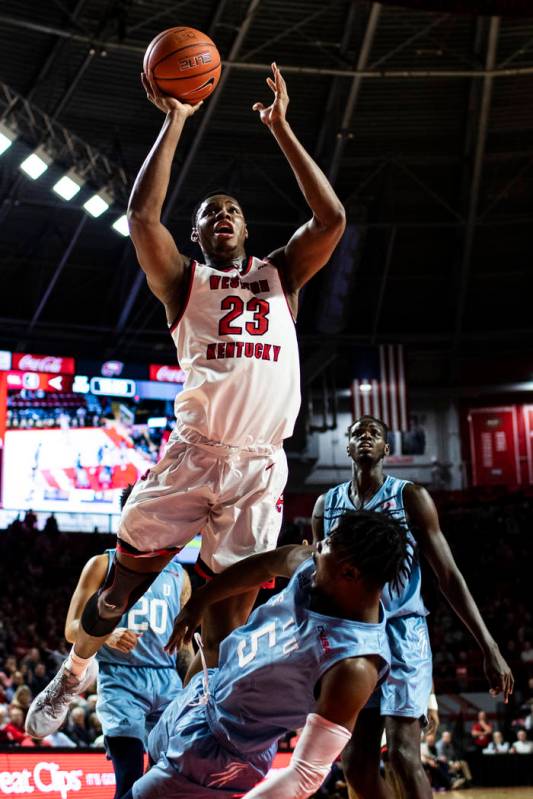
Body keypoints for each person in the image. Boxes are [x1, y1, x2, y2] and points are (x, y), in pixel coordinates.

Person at [26, 61, 346, 736]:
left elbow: (331, 216)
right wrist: (173, 120)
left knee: (227, 613)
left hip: (261, 463)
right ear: (197, 238)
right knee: (122, 587)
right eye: (209, 215)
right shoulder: (182, 282)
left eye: (231, 210)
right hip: (194, 455)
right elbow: (143, 214)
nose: (222, 216)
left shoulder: (280, 276)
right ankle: (73, 672)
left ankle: (213, 725)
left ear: (247, 232)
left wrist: (282, 128)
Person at [121, 509, 408, 799]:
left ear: (349, 572)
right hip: (202, 698)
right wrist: (201, 600)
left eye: (326, 546)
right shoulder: (313, 570)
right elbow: (267, 564)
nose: (316, 548)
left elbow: (305, 775)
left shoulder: (354, 666)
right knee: (148, 772)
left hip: (224, 751)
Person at [312, 415, 513, 799]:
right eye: (358, 433)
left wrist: (490, 647)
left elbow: (449, 576)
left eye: (375, 434)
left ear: (387, 449)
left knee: (405, 756)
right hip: (353, 639)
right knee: (354, 765)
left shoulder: (411, 497)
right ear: (348, 448)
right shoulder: (327, 505)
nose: (366, 437)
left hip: (404, 633)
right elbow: (318, 585)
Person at [28, 495, 193, 799]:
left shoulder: (179, 575)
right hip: (121, 680)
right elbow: (71, 628)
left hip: (168, 681)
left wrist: (195, 686)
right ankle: (71, 676)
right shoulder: (102, 564)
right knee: (129, 777)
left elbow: (184, 647)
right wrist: (109, 635)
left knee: (166, 784)